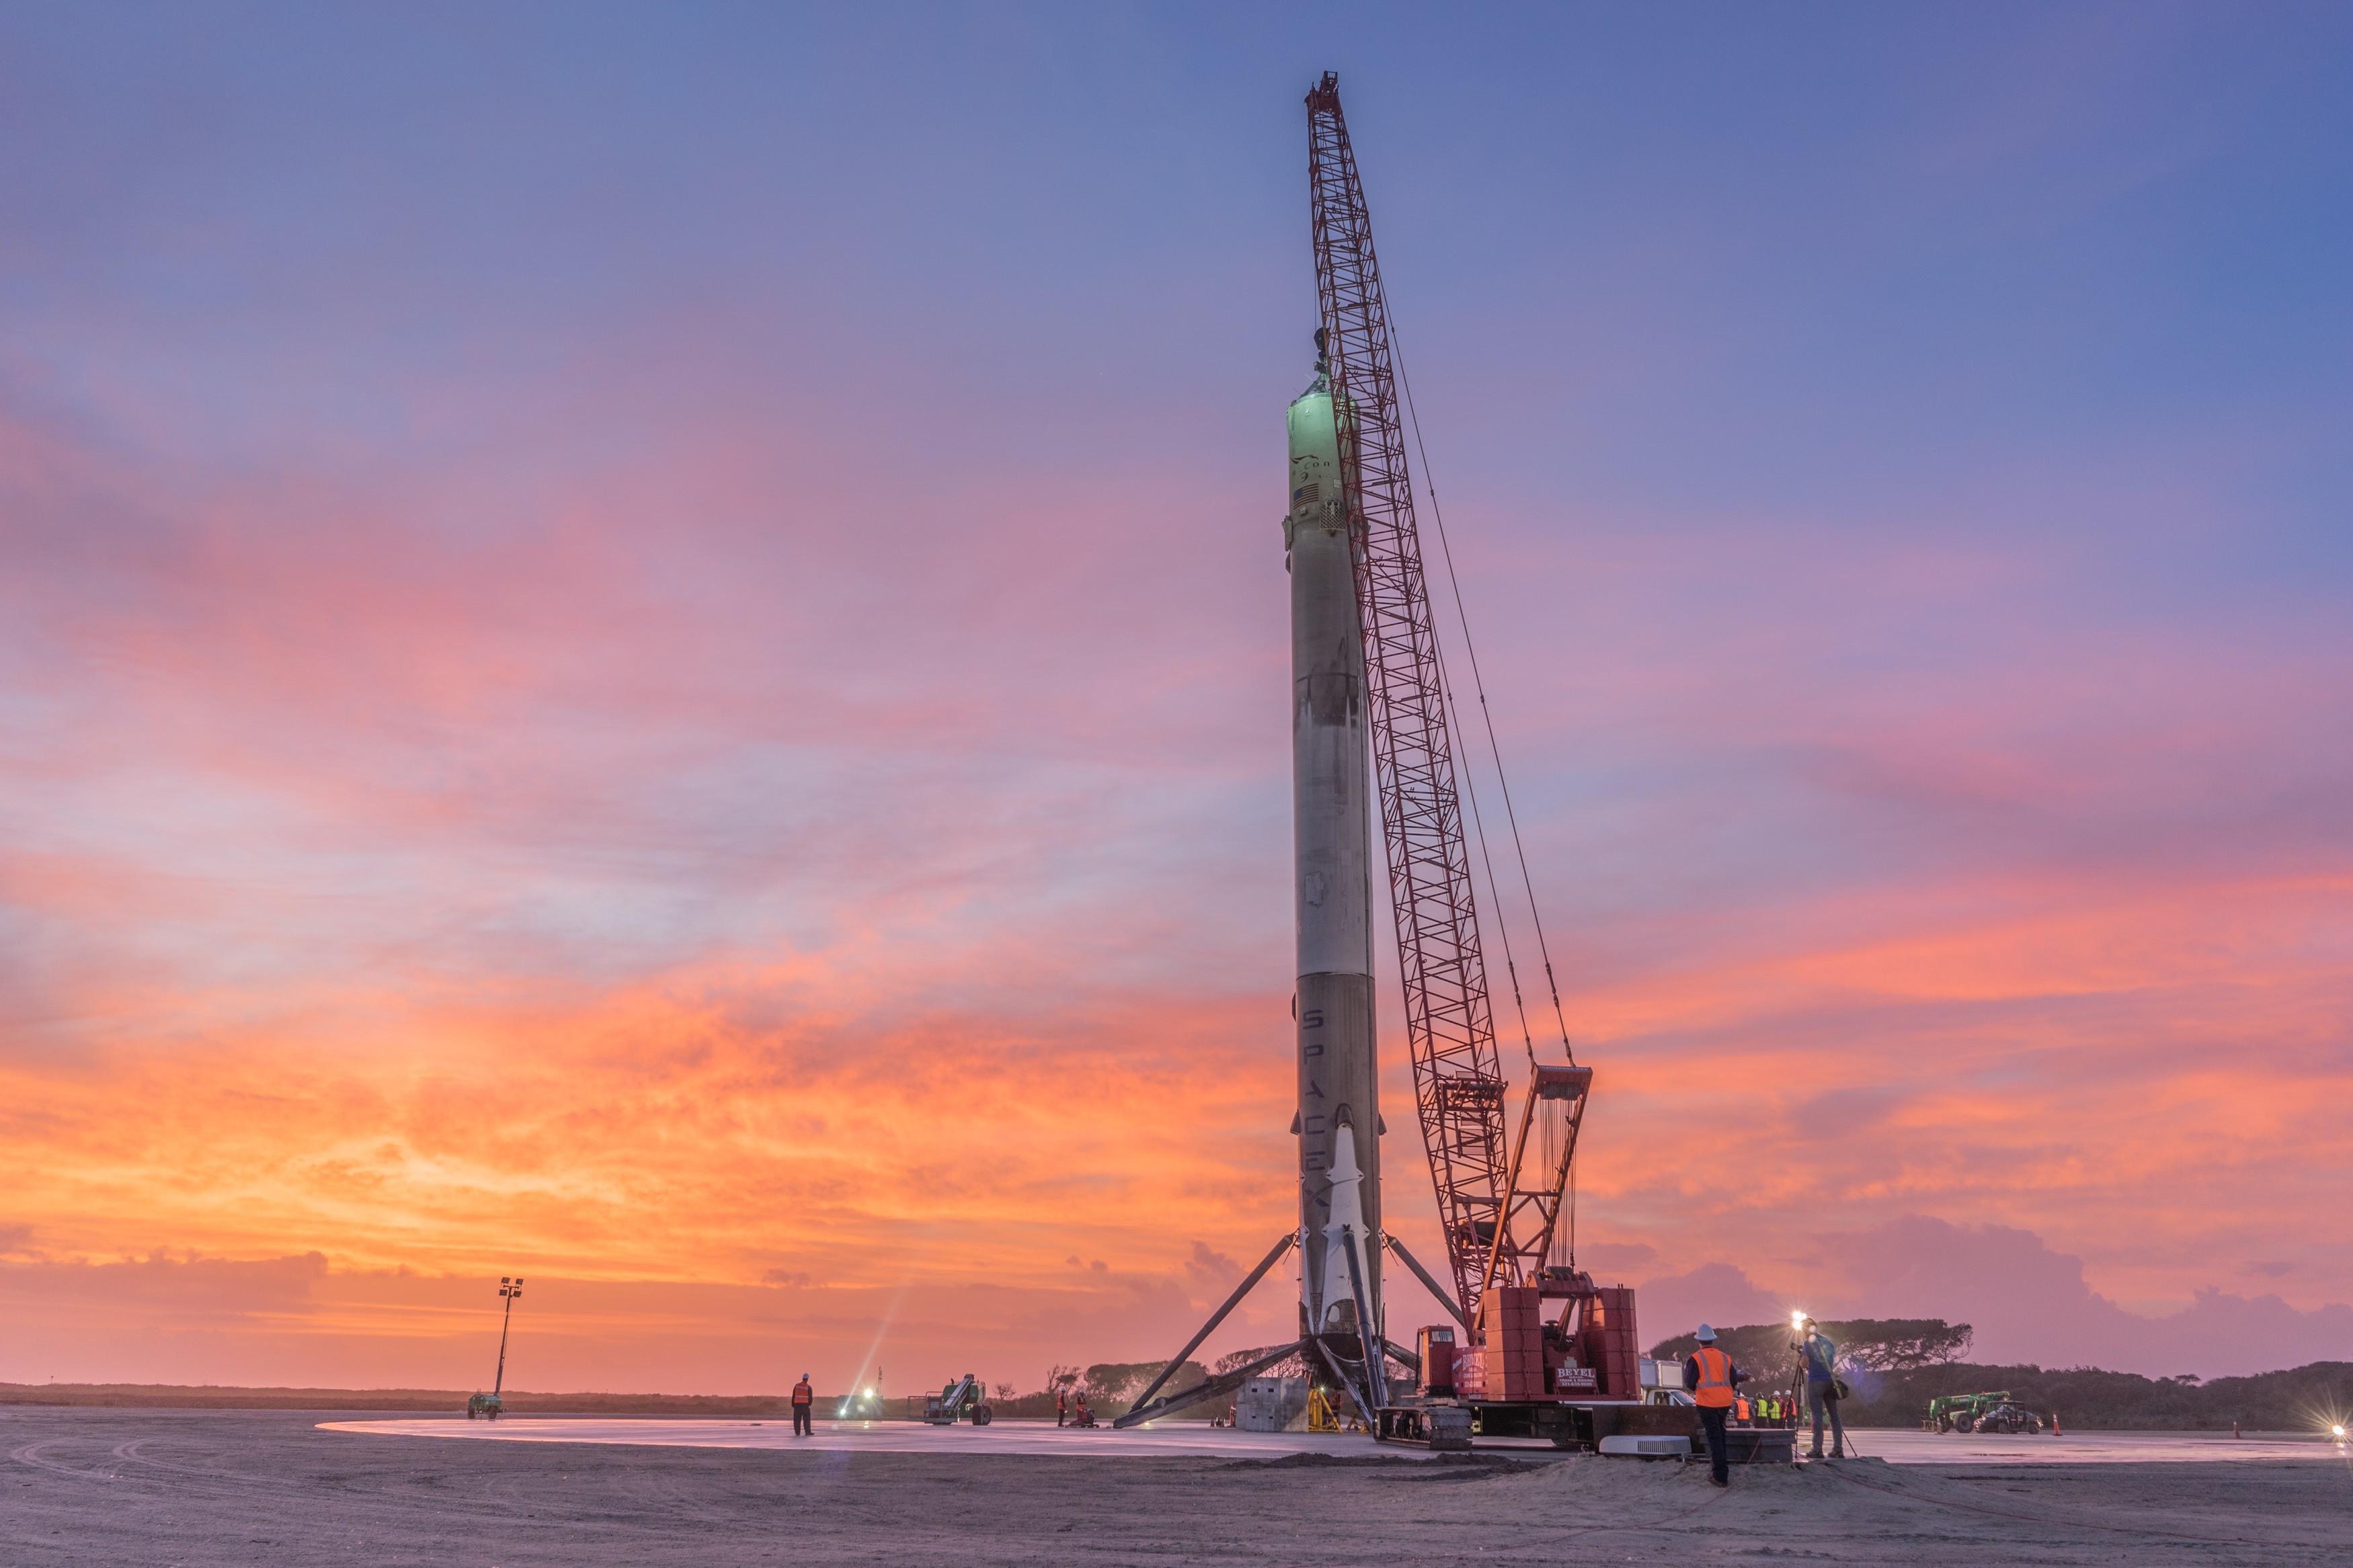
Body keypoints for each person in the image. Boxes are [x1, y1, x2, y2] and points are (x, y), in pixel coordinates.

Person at [1683, 1323, 1744, 1487]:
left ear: (1699, 1341)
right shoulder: (1725, 1357)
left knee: (1714, 1438)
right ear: (1713, 1340)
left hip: (1707, 1403)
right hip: (1725, 1403)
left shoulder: (1695, 1358)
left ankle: (1720, 1475)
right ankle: (1721, 1468)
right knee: (1721, 1435)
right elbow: (1733, 1380)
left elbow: (1689, 1382)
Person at [1797, 1318, 1845, 1459]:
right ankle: (1838, 1448)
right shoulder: (1827, 1342)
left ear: (1806, 1329)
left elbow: (1805, 1363)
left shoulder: (1807, 1343)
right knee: (1834, 1415)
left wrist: (1800, 1361)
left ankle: (1817, 1449)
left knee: (1817, 1415)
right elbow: (1830, 1360)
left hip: (1816, 1381)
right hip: (1830, 1381)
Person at [790, 1372, 814, 1437]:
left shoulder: (797, 1386)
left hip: (797, 1406)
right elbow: (810, 1397)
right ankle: (808, 1432)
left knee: (797, 1420)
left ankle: (797, 1432)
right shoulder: (808, 1387)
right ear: (807, 1379)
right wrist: (809, 1404)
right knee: (806, 1420)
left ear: (803, 1378)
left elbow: (794, 1395)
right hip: (805, 1406)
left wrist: (793, 1404)